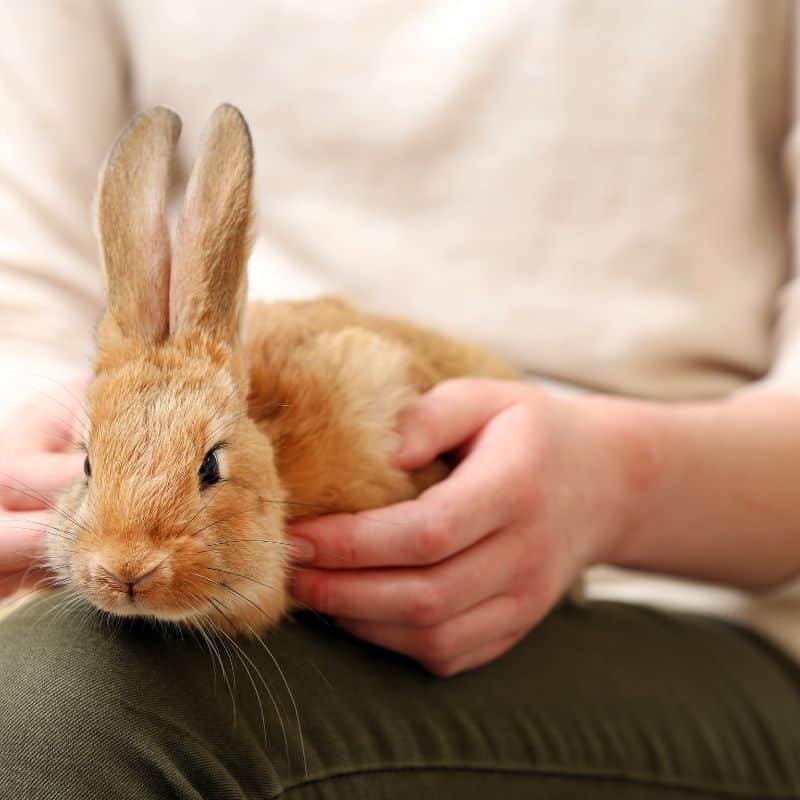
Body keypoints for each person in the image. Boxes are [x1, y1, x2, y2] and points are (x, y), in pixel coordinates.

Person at [2, 2, 800, 797]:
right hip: (187, 466)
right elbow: (25, 296)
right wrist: (36, 457)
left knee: (71, 709)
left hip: (676, 592)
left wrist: (617, 488)